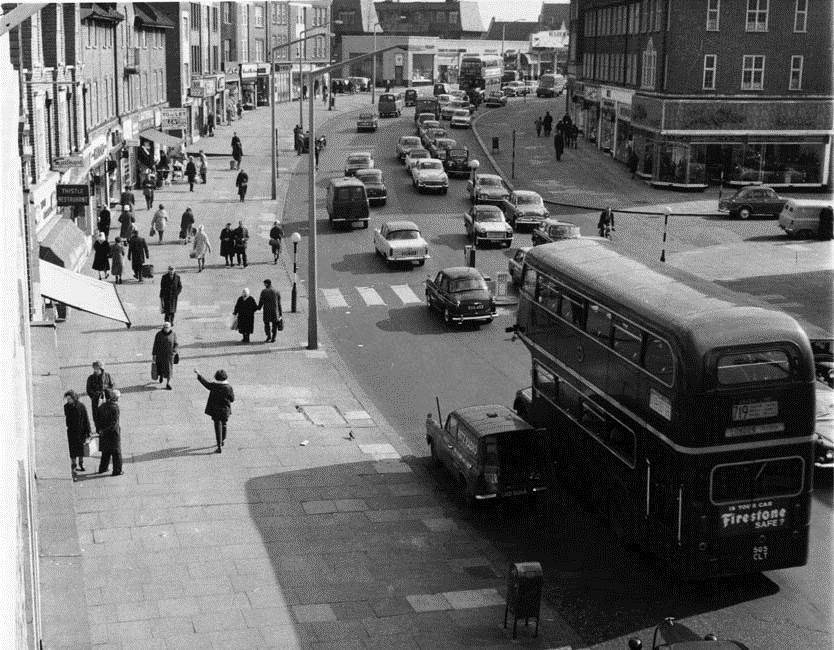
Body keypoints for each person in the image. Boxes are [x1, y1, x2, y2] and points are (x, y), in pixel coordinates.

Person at [194, 368, 235, 453]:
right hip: (225, 410)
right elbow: (232, 399)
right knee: (224, 424)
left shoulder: (214, 386)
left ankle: (219, 445)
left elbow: (205, 383)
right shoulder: (229, 387)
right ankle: (223, 440)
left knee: (217, 427)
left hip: (215, 410)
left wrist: (199, 374)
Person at [64, 390, 91, 474]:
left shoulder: (81, 406)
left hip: (81, 431)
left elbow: (86, 419)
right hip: (71, 432)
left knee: (80, 450)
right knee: (72, 450)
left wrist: (88, 431)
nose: (68, 401)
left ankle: (81, 463)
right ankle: (74, 464)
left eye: (69, 399)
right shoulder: (66, 407)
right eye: (67, 399)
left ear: (74, 398)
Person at [97, 389, 123, 476]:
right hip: (113, 434)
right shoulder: (115, 408)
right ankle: (117, 470)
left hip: (103, 433)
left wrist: (101, 430)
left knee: (105, 452)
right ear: (116, 398)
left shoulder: (102, 406)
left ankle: (103, 468)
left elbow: (97, 419)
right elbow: (114, 423)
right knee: (116, 453)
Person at [85, 361, 115, 434]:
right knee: (96, 415)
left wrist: (107, 392)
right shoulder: (91, 378)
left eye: (97, 369)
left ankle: (107, 429)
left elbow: (112, 385)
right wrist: (96, 395)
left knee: (108, 415)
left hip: (106, 400)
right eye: (94, 369)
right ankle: (98, 429)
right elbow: (89, 390)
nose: (96, 371)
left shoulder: (107, 375)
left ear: (101, 369)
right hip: (96, 401)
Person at [152, 322, 178, 390]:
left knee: (169, 370)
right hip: (160, 355)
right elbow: (155, 344)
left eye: (168, 327)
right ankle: (161, 376)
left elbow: (176, 344)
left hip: (169, 356)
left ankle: (168, 383)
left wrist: (174, 352)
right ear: (163, 328)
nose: (166, 329)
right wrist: (154, 354)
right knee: (160, 368)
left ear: (170, 328)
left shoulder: (173, 334)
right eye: (165, 327)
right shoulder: (158, 334)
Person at [257, 279, 283, 343]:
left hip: (267, 310)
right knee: (275, 324)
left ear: (266, 284)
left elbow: (261, 301)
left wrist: (259, 307)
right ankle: (273, 337)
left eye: (264, 284)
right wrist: (280, 312)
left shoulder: (264, 291)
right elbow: (279, 303)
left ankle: (268, 336)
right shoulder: (276, 291)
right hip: (275, 311)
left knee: (266, 324)